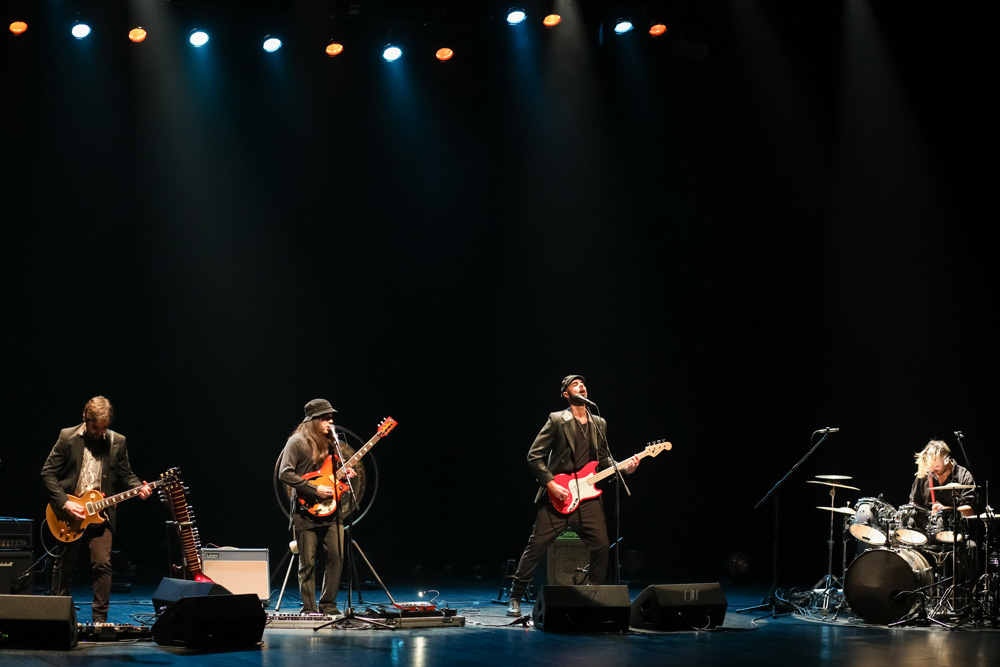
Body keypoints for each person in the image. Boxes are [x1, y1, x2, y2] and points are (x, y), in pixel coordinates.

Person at [506, 375, 638, 617]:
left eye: (583, 384)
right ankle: (515, 596)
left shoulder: (599, 422)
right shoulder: (557, 419)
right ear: (566, 394)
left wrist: (624, 468)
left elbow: (603, 460)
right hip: (559, 495)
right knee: (536, 546)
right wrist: (551, 484)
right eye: (575, 384)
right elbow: (534, 456)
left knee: (601, 546)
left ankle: (592, 595)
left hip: (588, 499)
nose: (582, 386)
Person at [40, 396, 152, 624]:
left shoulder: (117, 441)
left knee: (102, 563)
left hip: (101, 513)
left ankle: (100, 620)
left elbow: (126, 474)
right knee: (63, 566)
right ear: (85, 419)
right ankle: (59, 617)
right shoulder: (67, 437)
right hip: (70, 514)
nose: (100, 433)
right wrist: (66, 503)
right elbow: (48, 473)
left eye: (104, 428)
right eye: (95, 428)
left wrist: (139, 487)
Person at [278, 398, 355, 616]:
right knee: (308, 563)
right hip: (306, 511)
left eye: (331, 418)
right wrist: (314, 490)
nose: (330, 422)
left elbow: (330, 474)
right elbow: (284, 473)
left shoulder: (333, 442)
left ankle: (328, 605)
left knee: (336, 557)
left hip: (332, 511)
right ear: (313, 420)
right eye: (325, 418)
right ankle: (309, 609)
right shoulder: (296, 442)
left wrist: (344, 476)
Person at [909, 439, 975, 515]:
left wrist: (945, 511)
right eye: (930, 466)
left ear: (946, 460)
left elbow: (970, 510)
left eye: (936, 466)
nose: (932, 470)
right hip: (928, 522)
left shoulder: (964, 476)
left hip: (954, 522)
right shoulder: (924, 473)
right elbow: (914, 502)